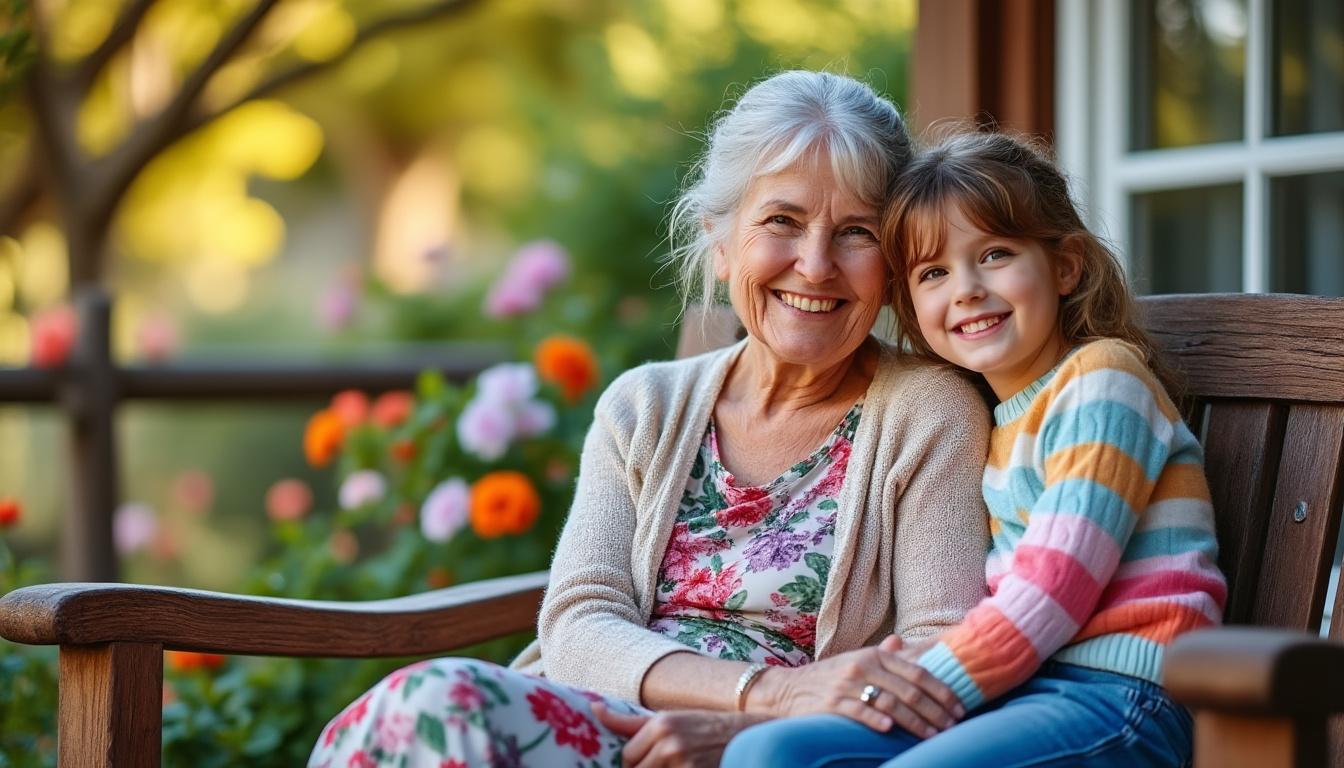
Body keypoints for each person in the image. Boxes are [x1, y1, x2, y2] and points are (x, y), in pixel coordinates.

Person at [307, 71, 994, 768]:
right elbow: (577, 621)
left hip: (771, 754)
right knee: (422, 710)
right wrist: (769, 697)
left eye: (856, 233)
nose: (815, 265)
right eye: (782, 222)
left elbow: (941, 660)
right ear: (721, 243)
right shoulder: (644, 407)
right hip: (594, 721)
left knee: (435, 707)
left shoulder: (929, 413)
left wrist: (750, 736)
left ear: (893, 262)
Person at [722, 130, 1228, 768]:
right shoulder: (995, 418)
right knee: (771, 751)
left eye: (993, 254)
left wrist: (923, 689)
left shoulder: (1104, 382)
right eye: (934, 272)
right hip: (1027, 690)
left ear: (1066, 265)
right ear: (910, 304)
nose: (965, 288)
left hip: (1128, 696)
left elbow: (1054, 588)